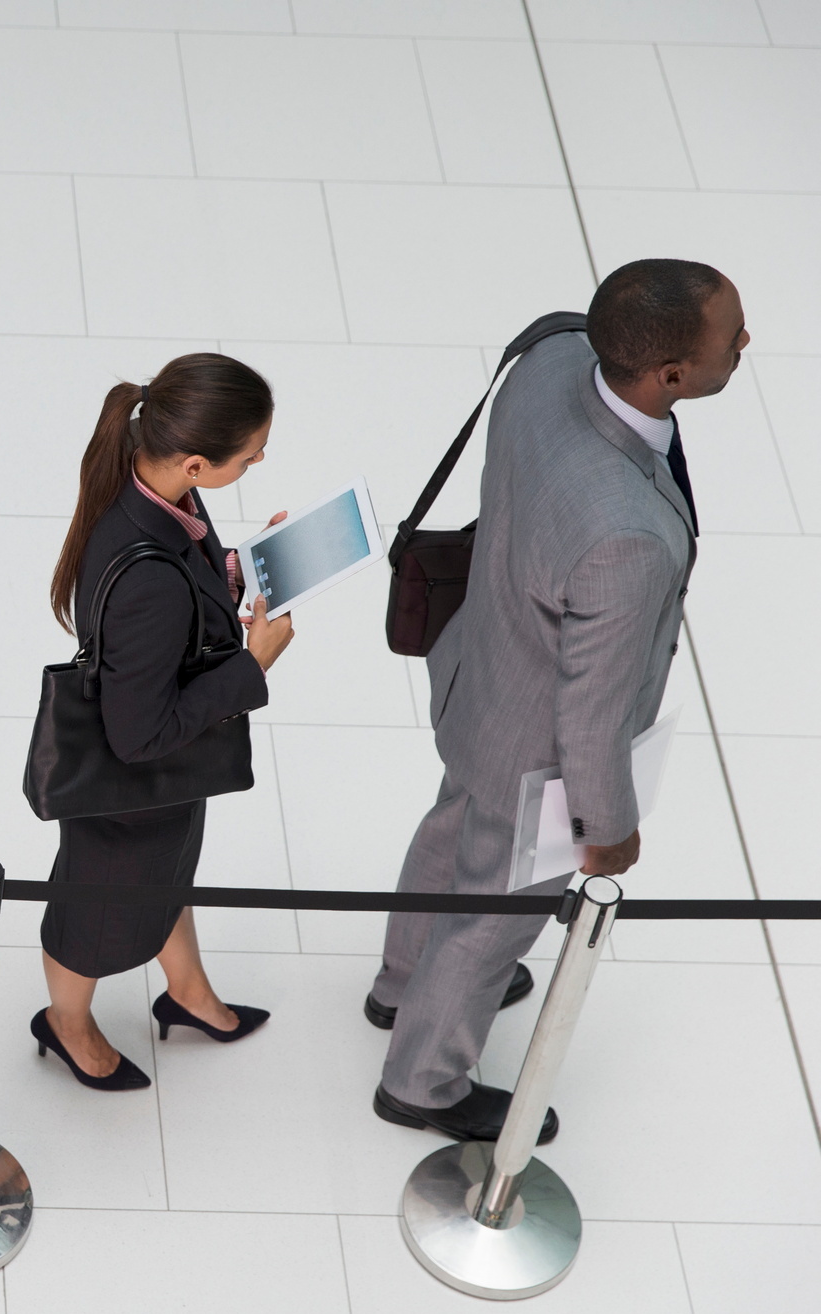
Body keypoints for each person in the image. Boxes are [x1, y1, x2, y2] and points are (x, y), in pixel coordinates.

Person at [370, 260, 740, 1143]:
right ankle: (422, 1080)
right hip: (536, 751)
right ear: (671, 376)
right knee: (495, 918)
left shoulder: (549, 355)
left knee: (451, 825)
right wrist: (608, 828)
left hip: (476, 679)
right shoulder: (627, 537)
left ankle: (397, 985)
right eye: (732, 339)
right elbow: (591, 711)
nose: (745, 346)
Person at [32, 354, 291, 1089]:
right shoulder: (148, 581)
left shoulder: (155, 485)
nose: (260, 460)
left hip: (169, 784)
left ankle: (187, 992)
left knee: (169, 878)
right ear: (200, 462)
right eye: (251, 455)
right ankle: (67, 1023)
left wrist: (237, 569)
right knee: (92, 919)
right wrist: (254, 665)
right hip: (130, 794)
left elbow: (187, 566)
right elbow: (138, 735)